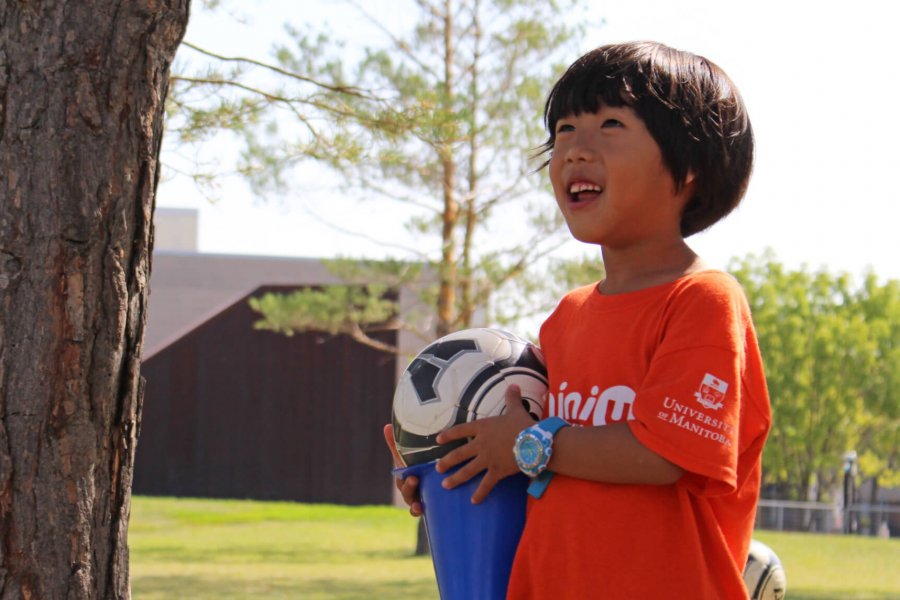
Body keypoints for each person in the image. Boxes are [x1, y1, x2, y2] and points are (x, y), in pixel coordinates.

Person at [385, 41, 770, 599]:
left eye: (610, 123)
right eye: (564, 130)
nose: (574, 149)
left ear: (689, 167)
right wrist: (444, 460)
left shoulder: (703, 300)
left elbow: (662, 453)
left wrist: (523, 445)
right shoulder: (567, 317)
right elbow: (538, 461)